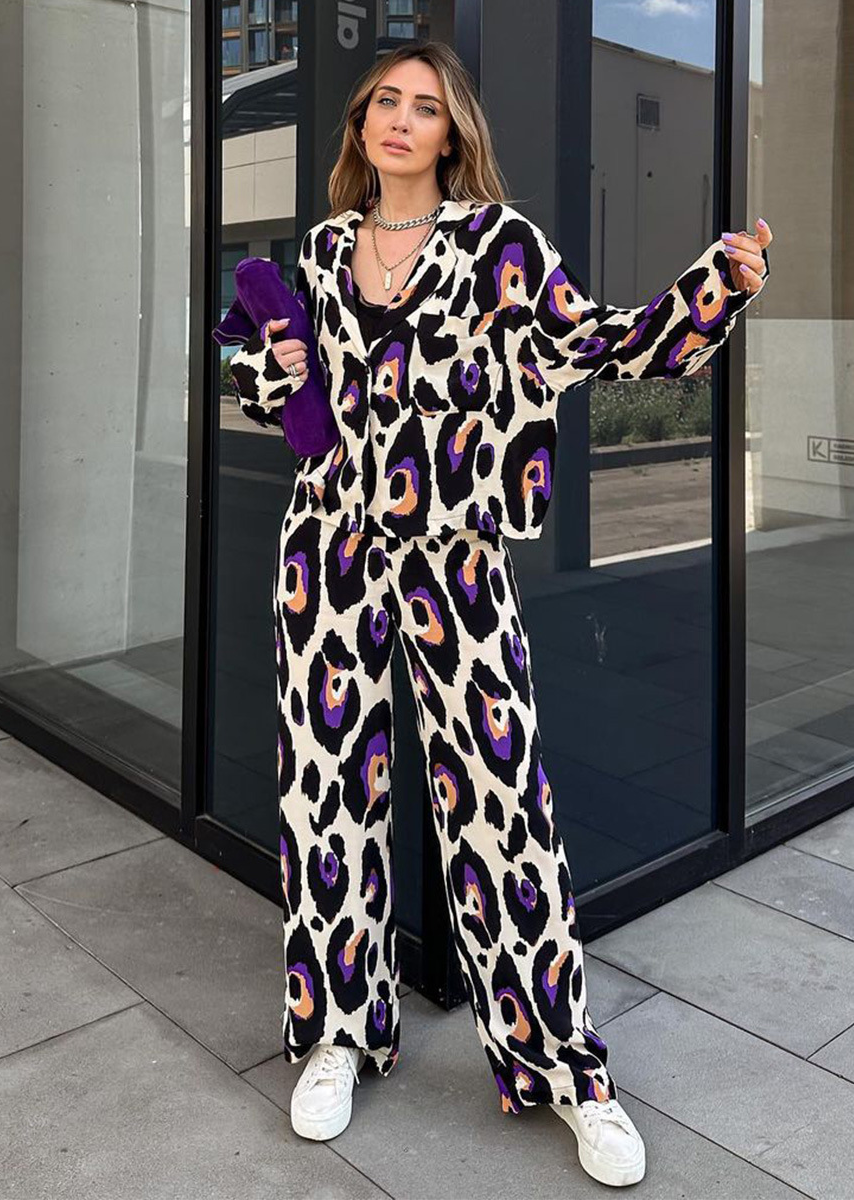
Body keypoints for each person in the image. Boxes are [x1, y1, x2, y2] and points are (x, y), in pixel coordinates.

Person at [227, 40, 771, 1189]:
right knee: (327, 798)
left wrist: (718, 283)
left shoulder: (498, 248)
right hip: (326, 555)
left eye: (424, 107)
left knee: (503, 808)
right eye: (384, 102)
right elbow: (282, 402)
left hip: (457, 560)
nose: (399, 119)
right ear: (361, 126)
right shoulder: (320, 253)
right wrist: (266, 354)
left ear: (452, 131)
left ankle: (568, 1072)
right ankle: (336, 1036)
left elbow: (608, 343)